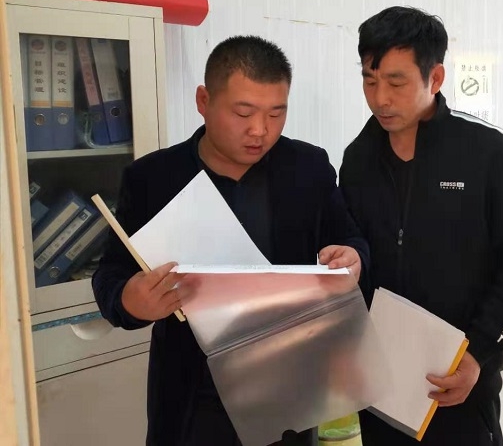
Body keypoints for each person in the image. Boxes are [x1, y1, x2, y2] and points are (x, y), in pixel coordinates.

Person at [93, 35, 369, 446]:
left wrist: (353, 257)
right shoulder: (153, 178)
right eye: (243, 113)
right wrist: (130, 301)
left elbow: (348, 238)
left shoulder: (307, 168)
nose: (260, 130)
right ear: (204, 101)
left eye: (276, 113)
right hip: (194, 392)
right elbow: (111, 274)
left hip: (286, 384)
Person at [339, 6, 503, 446]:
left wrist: (478, 353)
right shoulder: (357, 159)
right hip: (381, 377)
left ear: (435, 78)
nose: (380, 99)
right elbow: (356, 251)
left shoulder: (489, 152)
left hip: (460, 378)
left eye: (396, 82)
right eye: (369, 80)